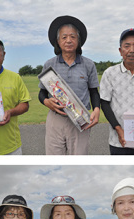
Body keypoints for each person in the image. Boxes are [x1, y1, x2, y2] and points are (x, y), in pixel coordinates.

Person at [38, 16, 100, 155]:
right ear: (58, 41)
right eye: (64, 37)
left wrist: (96, 109)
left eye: (73, 36)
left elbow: (94, 92)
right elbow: (41, 93)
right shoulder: (50, 64)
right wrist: (47, 101)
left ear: (78, 41)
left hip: (81, 118)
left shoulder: (88, 64)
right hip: (56, 118)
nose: (68, 40)